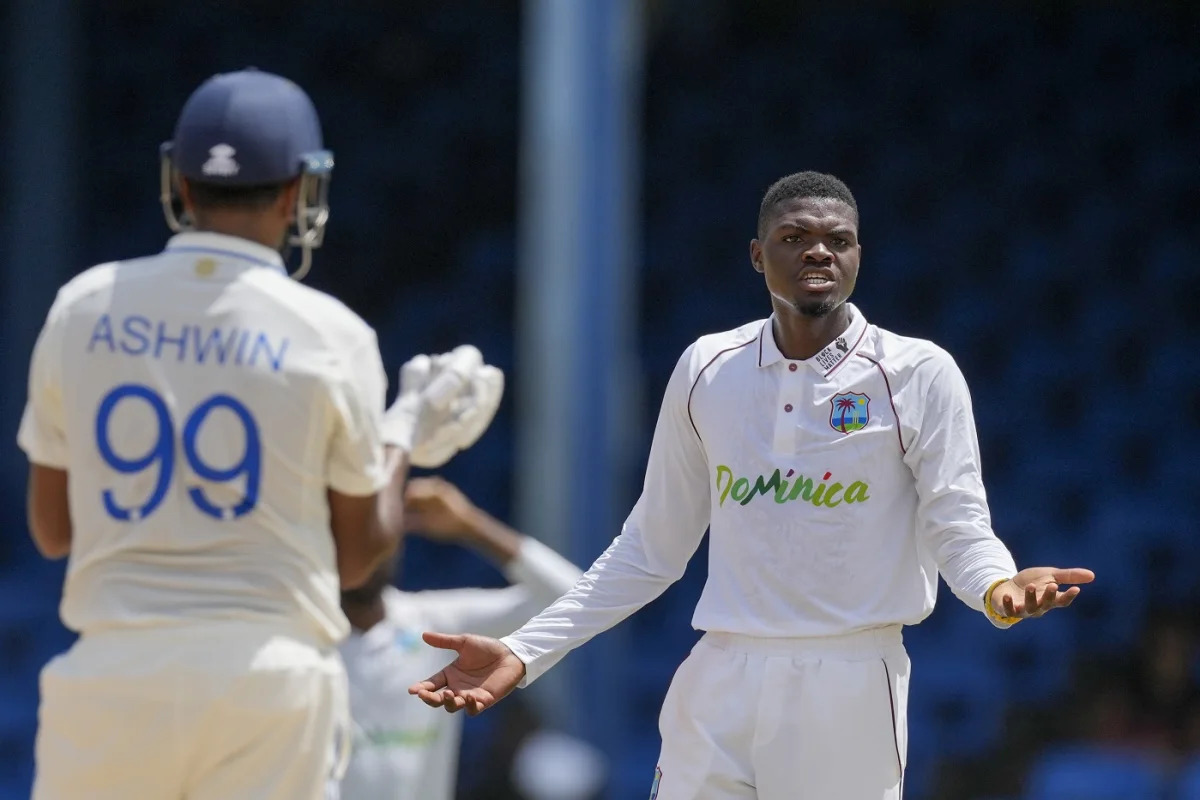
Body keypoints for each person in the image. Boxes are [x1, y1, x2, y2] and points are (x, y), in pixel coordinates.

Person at [409, 171, 1097, 799]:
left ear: (859, 255)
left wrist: (995, 589)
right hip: (721, 675)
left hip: (849, 683)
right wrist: (525, 651)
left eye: (839, 240)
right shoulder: (708, 368)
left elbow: (957, 523)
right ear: (756, 255)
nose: (819, 252)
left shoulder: (919, 372)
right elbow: (648, 551)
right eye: (794, 237)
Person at [17, 68, 501, 800]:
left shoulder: (82, 307)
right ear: (296, 193)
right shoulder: (329, 332)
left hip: (110, 678)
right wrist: (403, 429)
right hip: (266, 682)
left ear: (178, 184)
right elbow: (358, 554)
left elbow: (53, 531)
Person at [338, 476, 582, 800]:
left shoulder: (434, 623)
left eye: (376, 532)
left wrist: (470, 525)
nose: (365, 549)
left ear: (398, 539)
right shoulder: (297, 632)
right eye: (349, 535)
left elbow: (578, 601)